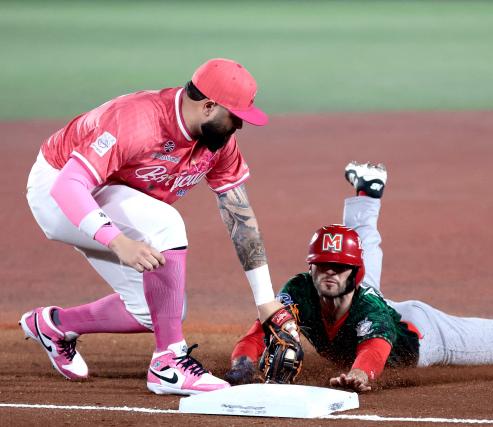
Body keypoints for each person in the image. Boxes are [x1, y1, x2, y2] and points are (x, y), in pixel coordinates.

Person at [20, 58, 299, 396]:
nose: (239, 126)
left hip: (106, 192)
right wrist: (117, 240)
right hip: (59, 186)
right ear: (209, 105)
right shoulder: (137, 121)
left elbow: (240, 216)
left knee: (160, 310)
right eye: (235, 117)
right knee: (166, 224)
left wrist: (265, 300)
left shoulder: (218, 141)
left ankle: (53, 326)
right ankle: (169, 361)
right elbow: (68, 186)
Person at [225, 161, 493, 392]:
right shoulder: (302, 290)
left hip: (424, 334)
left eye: (339, 266)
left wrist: (361, 375)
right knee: (353, 288)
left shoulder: (368, 309)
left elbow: (375, 348)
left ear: (352, 272)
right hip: (366, 304)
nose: (330, 272)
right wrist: (243, 363)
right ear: (310, 268)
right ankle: (367, 191)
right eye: (323, 266)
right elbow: (263, 327)